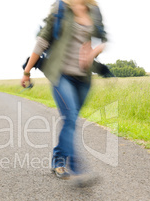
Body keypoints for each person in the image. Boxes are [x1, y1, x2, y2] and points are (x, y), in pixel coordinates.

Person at [21, 0, 107, 179]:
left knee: (72, 120)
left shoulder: (94, 11)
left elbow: (102, 40)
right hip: (61, 75)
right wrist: (27, 71)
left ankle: (58, 160)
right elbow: (43, 41)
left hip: (84, 78)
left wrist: (93, 52)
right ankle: (77, 169)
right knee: (70, 118)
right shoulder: (60, 8)